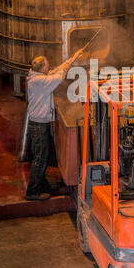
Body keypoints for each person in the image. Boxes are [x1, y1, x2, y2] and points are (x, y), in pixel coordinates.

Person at [25, 50, 84, 201]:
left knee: (42, 156)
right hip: (38, 125)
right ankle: (33, 191)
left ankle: (41, 185)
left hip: (39, 123)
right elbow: (59, 76)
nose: (49, 67)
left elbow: (58, 69)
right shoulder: (40, 82)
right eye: (47, 66)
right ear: (43, 68)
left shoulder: (37, 76)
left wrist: (75, 56)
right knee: (40, 157)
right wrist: (66, 67)